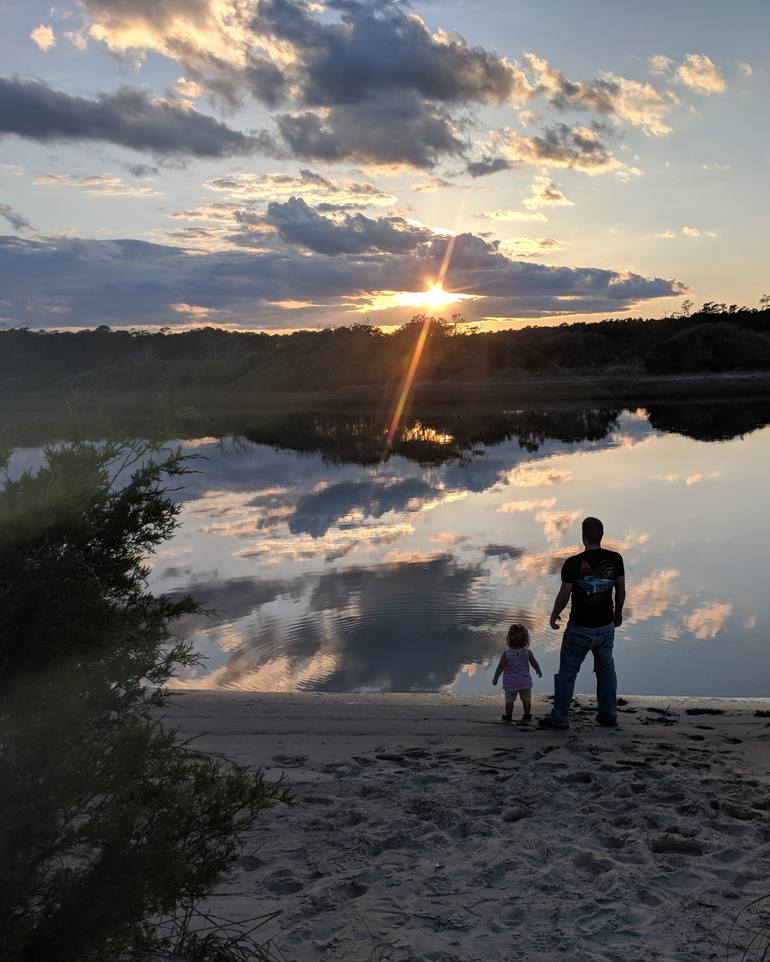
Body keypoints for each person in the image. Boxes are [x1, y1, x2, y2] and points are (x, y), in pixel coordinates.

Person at [539, 517, 625, 730]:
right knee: (606, 670)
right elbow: (621, 590)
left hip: (580, 629)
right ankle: (608, 715)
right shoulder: (616, 559)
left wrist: (554, 615)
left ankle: (559, 717)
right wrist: (618, 614)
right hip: (605, 627)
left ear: (584, 537)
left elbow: (564, 593)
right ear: (601, 535)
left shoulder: (573, 563)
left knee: (567, 672)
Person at [492, 623, 542, 723]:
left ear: (509, 639)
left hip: (510, 682)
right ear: (525, 639)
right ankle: (527, 715)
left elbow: (500, 667)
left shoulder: (506, 654)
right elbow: (534, 663)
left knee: (509, 700)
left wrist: (495, 677)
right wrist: (538, 670)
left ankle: (508, 716)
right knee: (526, 700)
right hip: (524, 681)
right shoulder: (527, 652)